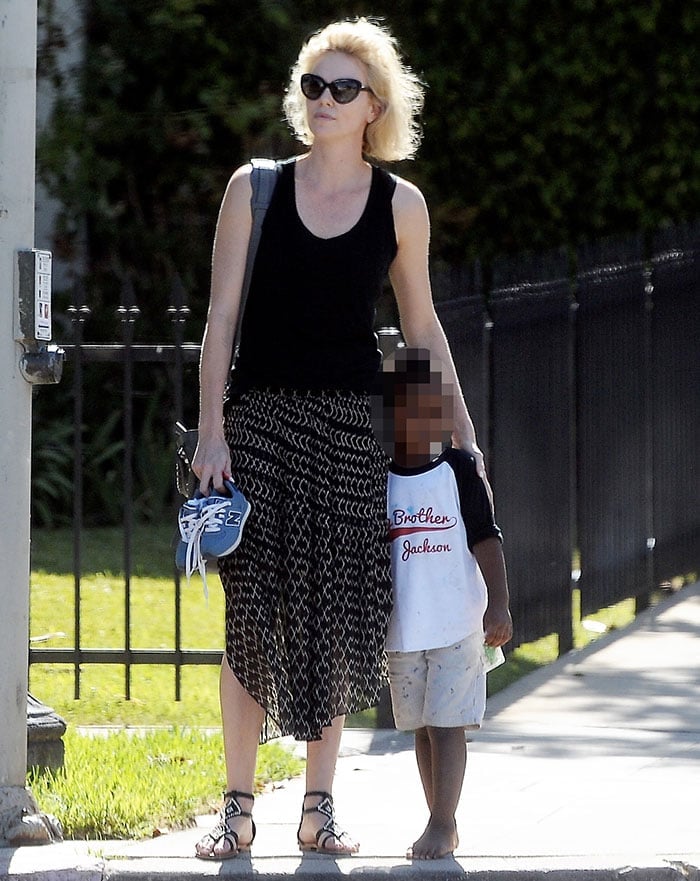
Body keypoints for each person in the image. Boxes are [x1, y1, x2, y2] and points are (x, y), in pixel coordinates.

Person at [192, 18, 489, 860]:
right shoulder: (254, 189)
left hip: (352, 433)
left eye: (341, 89)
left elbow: (422, 330)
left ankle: (319, 807)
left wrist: (462, 440)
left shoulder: (401, 205)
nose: (321, 100)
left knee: (335, 616)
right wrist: (212, 432)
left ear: (375, 107)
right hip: (259, 425)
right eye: (313, 86)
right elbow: (219, 320)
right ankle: (237, 807)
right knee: (251, 618)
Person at [376, 347, 512, 860]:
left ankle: (441, 821)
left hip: (457, 625)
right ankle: (440, 821)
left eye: (428, 405)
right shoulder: (379, 480)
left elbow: (487, 540)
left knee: (446, 724)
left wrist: (498, 606)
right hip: (404, 633)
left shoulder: (458, 471)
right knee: (422, 730)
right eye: (403, 407)